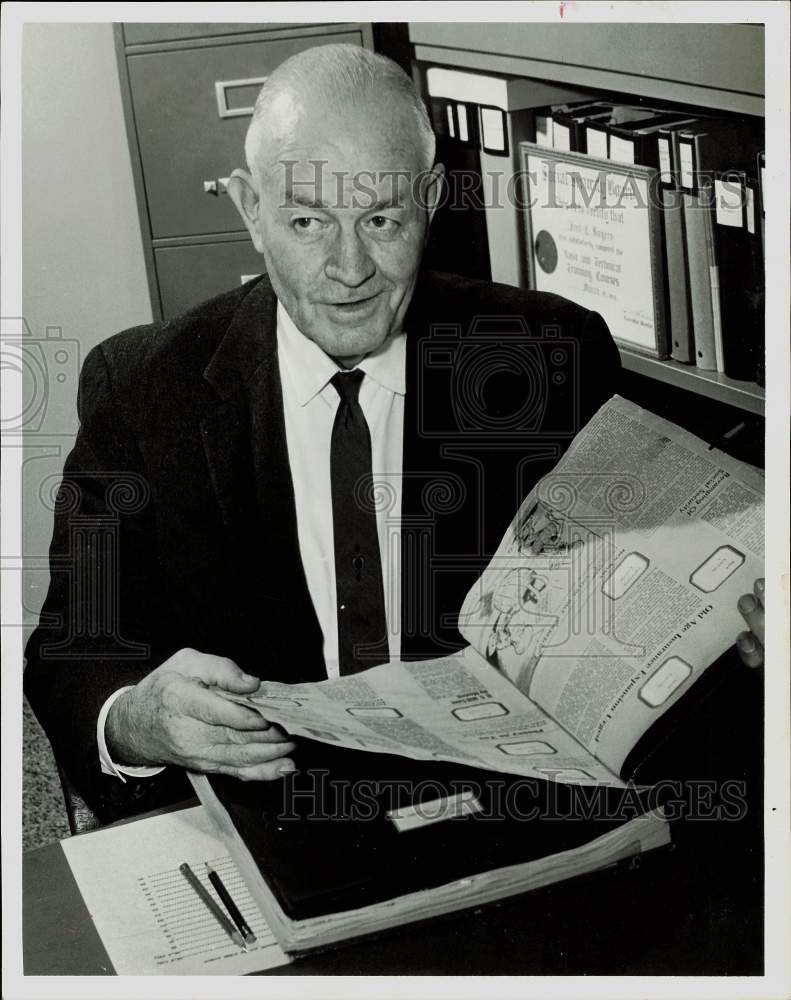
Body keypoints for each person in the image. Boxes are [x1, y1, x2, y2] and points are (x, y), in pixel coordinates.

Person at [23, 45, 764, 823]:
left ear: (432, 197)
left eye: (382, 219)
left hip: (513, 804)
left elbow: (646, 625)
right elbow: (74, 644)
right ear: (250, 210)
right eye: (307, 220)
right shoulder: (144, 387)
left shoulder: (550, 354)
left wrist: (745, 655)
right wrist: (136, 718)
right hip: (272, 811)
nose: (349, 268)